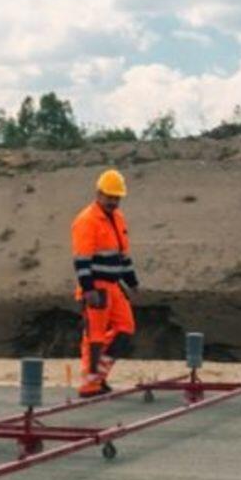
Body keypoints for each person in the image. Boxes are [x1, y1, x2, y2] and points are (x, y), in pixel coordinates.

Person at [71, 169, 139, 396]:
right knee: (95, 337)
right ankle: (90, 383)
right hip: (96, 287)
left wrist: (132, 282)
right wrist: (88, 289)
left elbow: (123, 255)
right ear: (98, 194)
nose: (113, 201)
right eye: (110, 196)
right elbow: (82, 259)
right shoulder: (87, 220)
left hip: (114, 286)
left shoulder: (118, 218)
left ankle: (99, 376)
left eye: (117, 197)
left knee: (125, 328)